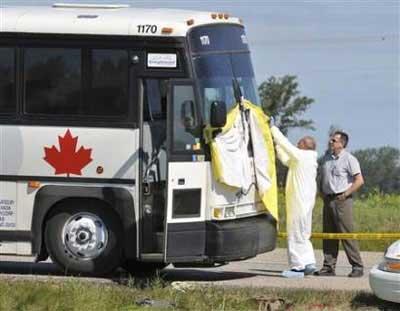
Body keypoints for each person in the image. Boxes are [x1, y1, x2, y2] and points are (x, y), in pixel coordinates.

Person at [270, 118, 318, 278]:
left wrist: (273, 128)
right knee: (304, 235)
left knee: (295, 234)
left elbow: (286, 145)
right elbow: (285, 158)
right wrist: (275, 144)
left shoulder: (303, 157)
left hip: (299, 204)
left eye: (300, 143)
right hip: (304, 204)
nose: (297, 144)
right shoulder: (304, 160)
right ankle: (309, 262)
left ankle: (297, 267)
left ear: (305, 146)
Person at [316, 131, 364, 277]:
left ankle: (357, 266)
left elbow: (359, 180)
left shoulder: (349, 159)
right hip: (328, 199)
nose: (330, 142)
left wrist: (345, 194)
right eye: (330, 140)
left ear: (341, 143)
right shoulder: (325, 159)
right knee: (329, 234)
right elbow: (320, 178)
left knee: (346, 233)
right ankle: (328, 267)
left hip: (342, 200)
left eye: (333, 140)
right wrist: (321, 193)